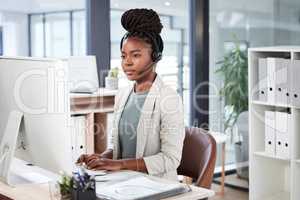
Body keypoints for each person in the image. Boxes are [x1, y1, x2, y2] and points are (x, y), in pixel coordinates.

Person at [77, 8, 185, 181]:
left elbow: (170, 159)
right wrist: (100, 158)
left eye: (135, 55)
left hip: (156, 185)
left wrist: (119, 165)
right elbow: (118, 148)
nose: (127, 62)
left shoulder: (169, 99)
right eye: (123, 55)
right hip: (125, 183)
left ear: (155, 57)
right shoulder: (122, 95)